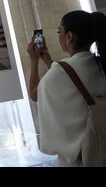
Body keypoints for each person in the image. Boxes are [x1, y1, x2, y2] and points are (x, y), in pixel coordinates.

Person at [27, 10, 106, 166]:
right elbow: (72, 78)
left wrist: (34, 60)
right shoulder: (100, 63)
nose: (59, 36)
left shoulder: (60, 71)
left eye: (59, 32)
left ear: (69, 37)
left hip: (81, 158)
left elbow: (34, 94)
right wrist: (49, 60)